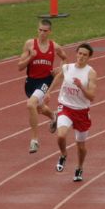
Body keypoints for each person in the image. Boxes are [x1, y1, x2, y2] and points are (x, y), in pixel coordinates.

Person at [46, 43, 97, 182]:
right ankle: (63, 155)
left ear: (89, 57)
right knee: (61, 135)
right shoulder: (67, 67)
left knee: (80, 145)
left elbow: (92, 96)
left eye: (84, 55)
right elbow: (58, 77)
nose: (81, 57)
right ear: (76, 54)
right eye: (79, 53)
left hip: (81, 111)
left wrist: (81, 86)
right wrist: (49, 92)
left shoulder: (90, 73)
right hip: (66, 107)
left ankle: (79, 167)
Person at [17, 19, 68, 154]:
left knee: (30, 104)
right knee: (38, 107)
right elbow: (20, 67)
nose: (42, 33)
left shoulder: (54, 46)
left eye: (45, 31)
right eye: (40, 30)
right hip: (30, 83)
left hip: (45, 81)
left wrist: (60, 68)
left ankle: (34, 140)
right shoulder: (29, 44)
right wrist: (30, 58)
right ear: (37, 30)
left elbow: (65, 58)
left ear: (49, 32)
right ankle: (53, 116)